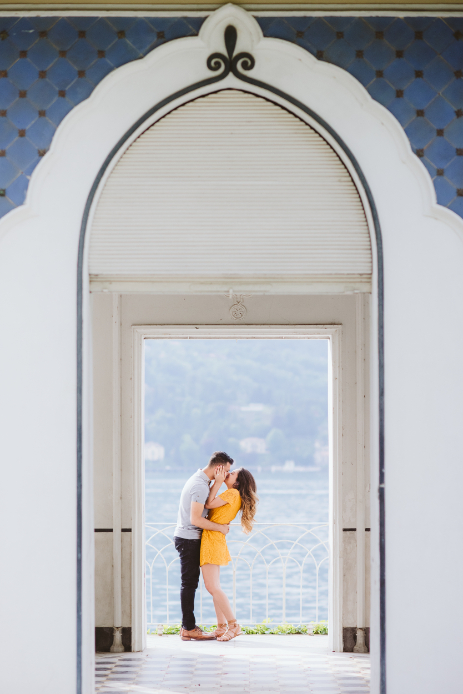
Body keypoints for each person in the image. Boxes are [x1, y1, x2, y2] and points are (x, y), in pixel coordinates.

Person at [174, 451, 234, 641]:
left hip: (189, 538)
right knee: (189, 584)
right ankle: (188, 627)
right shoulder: (200, 486)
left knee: (191, 583)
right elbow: (195, 519)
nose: (227, 476)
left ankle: (188, 626)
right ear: (219, 468)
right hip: (189, 539)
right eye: (227, 471)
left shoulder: (201, 481)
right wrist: (220, 528)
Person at [200, 465, 258, 641]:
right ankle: (221, 626)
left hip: (212, 539)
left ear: (237, 482)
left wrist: (217, 482)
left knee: (213, 587)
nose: (228, 474)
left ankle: (233, 625)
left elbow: (208, 504)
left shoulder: (232, 494)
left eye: (232, 474)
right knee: (214, 587)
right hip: (215, 538)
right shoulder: (234, 495)